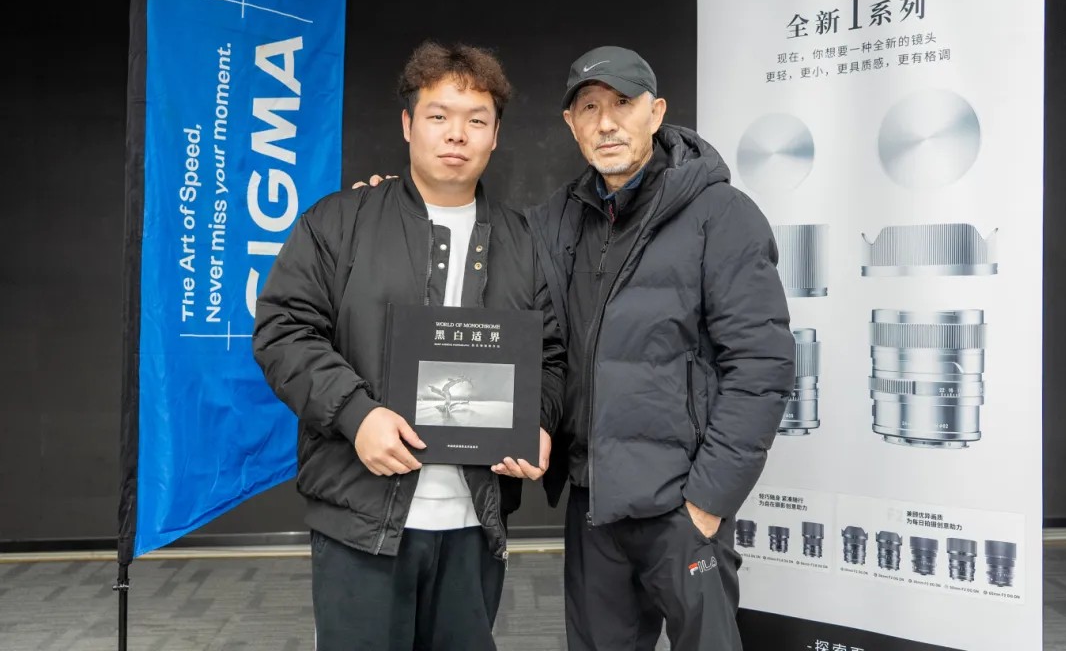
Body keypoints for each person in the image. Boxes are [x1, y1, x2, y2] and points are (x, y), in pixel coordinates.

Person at [252, 41, 566, 651]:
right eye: (438, 115)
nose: (457, 134)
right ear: (407, 124)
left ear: (495, 135)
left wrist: (540, 421)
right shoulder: (338, 222)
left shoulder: (525, 244)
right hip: (360, 520)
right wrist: (357, 414)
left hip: (476, 522)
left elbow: (549, 358)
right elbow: (283, 330)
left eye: (476, 120)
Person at [525, 46, 795, 651]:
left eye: (623, 103)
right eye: (589, 108)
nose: (606, 122)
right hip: (594, 503)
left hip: (682, 506)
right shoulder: (555, 222)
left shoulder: (722, 214)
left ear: (657, 112)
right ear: (570, 123)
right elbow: (529, 330)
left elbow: (762, 366)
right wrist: (387, 208)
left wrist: (708, 501)